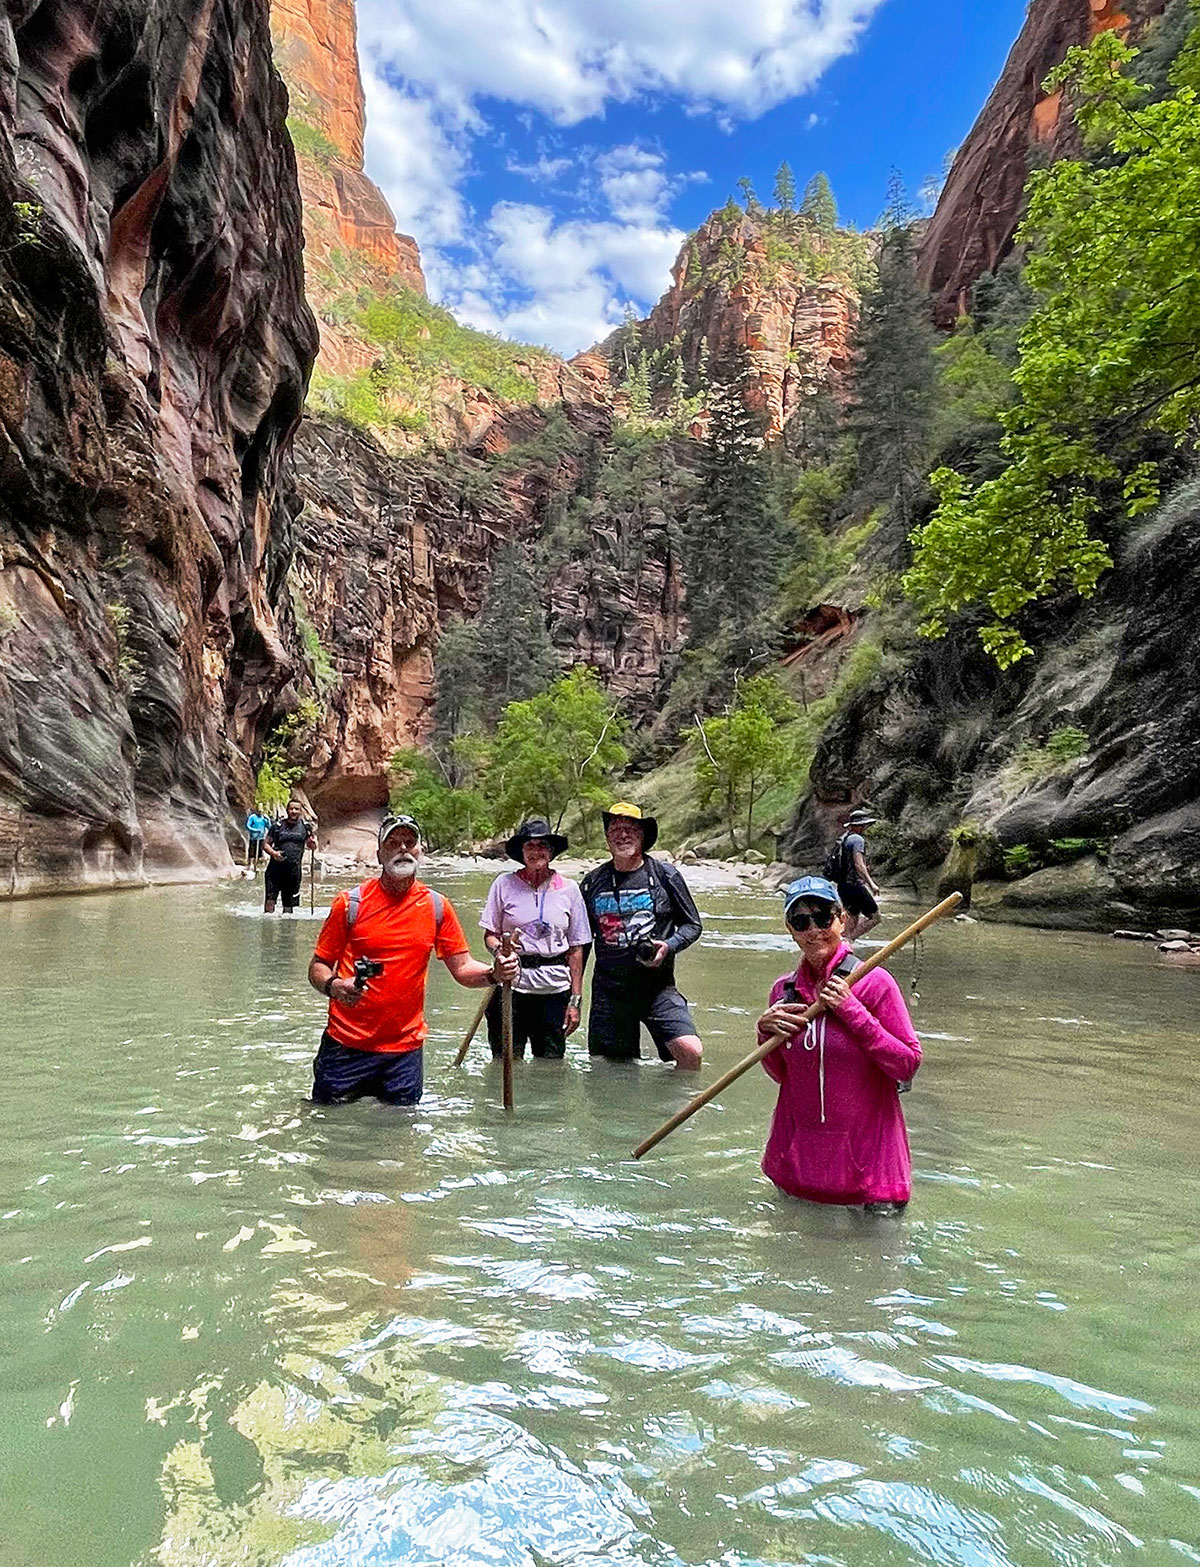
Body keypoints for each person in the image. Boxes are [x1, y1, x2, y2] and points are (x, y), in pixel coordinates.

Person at [307, 813, 519, 1105]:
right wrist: (334, 986)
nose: (403, 848)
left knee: (400, 1138)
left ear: (421, 851)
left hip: (403, 1053)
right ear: (379, 853)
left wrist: (496, 973)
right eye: (393, 842)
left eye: (410, 842)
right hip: (345, 1047)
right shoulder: (350, 904)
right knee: (333, 1135)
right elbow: (318, 967)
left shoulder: (436, 907)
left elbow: (463, 968)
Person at [756, 875, 921, 1213]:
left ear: (842, 920)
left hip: (871, 1181)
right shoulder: (783, 992)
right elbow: (782, 1075)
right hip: (797, 1174)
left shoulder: (875, 983)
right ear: (790, 928)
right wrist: (765, 1035)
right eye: (801, 921)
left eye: (823, 917)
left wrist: (853, 1013)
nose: (813, 928)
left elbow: (907, 1065)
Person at [579, 801, 703, 1070]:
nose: (623, 835)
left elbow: (693, 925)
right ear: (607, 837)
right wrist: (574, 997)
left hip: (657, 987)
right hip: (609, 992)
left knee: (690, 1051)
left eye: (630, 829)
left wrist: (668, 946)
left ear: (643, 836)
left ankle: (675, 1109)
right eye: (616, 829)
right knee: (609, 1073)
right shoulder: (591, 882)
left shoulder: (665, 875)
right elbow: (581, 942)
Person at [480, 818, 591, 1060]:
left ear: (551, 852)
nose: (536, 852)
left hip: (554, 991)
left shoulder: (570, 890)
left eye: (542, 846)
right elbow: (490, 934)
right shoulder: (504, 884)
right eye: (530, 846)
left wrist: (575, 1001)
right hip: (511, 987)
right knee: (505, 1062)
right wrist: (501, 952)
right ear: (522, 852)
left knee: (550, 1068)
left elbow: (576, 949)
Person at [829, 807, 881, 941]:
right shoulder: (857, 840)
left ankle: (842, 942)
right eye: (864, 825)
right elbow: (859, 865)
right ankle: (847, 941)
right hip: (855, 886)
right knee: (875, 917)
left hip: (843, 886)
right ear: (860, 826)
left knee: (852, 918)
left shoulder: (845, 838)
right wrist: (871, 884)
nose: (866, 827)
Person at [263, 799, 316, 913]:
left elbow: (312, 846)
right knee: (270, 901)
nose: (293, 811)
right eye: (291, 808)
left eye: (296, 809)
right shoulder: (277, 826)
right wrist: (274, 853)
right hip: (274, 870)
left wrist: (312, 844)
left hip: (293, 871)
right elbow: (266, 844)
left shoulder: (306, 828)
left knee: (288, 904)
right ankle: (267, 928)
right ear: (287, 810)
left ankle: (287, 930)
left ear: (301, 811)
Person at [245, 807, 271, 871]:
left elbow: (269, 826)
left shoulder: (263, 818)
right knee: (252, 850)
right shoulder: (252, 817)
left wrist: (268, 820)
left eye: (261, 811)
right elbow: (248, 826)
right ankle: (250, 864)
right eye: (259, 810)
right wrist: (255, 830)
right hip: (253, 837)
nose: (260, 812)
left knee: (260, 851)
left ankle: (257, 864)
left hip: (261, 837)